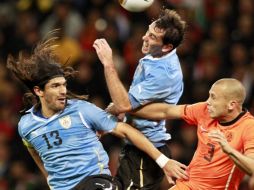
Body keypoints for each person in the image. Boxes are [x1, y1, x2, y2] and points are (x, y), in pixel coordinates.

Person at [6, 32, 188, 190]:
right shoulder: (26, 125)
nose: (63, 91)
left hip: (96, 182)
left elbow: (126, 130)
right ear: (39, 91)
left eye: (63, 85)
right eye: (55, 86)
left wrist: (163, 161)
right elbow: (34, 150)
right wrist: (50, 179)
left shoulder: (81, 110)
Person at [93, 8, 186, 189]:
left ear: (167, 46)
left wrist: (108, 63)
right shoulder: (155, 55)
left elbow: (123, 104)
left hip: (146, 152)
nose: (144, 38)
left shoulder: (164, 73)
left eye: (152, 37)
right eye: (148, 31)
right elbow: (128, 104)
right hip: (136, 147)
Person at [132, 78, 254, 190]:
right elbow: (166, 111)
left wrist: (229, 150)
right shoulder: (204, 111)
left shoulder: (248, 126)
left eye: (213, 97)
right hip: (187, 184)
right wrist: (128, 109)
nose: (208, 102)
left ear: (231, 105)